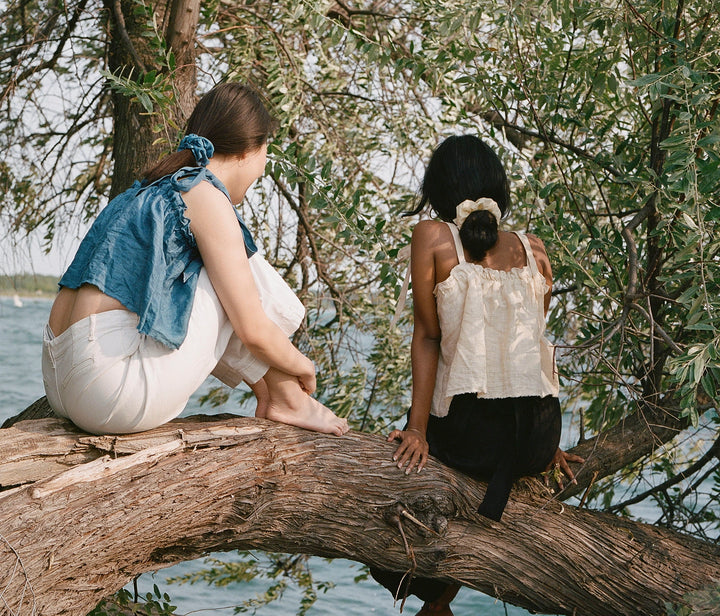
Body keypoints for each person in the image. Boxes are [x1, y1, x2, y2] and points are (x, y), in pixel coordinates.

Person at [42, 82, 349, 437]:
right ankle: (289, 397)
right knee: (236, 275)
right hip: (107, 391)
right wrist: (303, 365)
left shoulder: (151, 187)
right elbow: (252, 330)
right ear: (253, 148)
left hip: (60, 379)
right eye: (267, 151)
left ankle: (277, 394)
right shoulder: (203, 194)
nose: (263, 169)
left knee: (223, 273)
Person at [371, 135, 583, 615]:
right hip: (537, 434)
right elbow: (529, 345)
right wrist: (544, 441)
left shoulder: (430, 235)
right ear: (497, 188)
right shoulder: (534, 247)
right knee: (476, 459)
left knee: (401, 480)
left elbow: (428, 337)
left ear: (441, 190)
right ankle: (439, 604)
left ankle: (431, 600)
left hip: (476, 435)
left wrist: (418, 430)